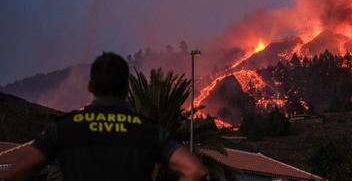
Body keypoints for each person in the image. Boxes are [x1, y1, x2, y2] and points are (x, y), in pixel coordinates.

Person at [0, 52, 208, 181]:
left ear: (90, 86)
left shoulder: (65, 128)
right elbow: (195, 171)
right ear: (127, 88)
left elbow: (14, 173)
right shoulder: (147, 131)